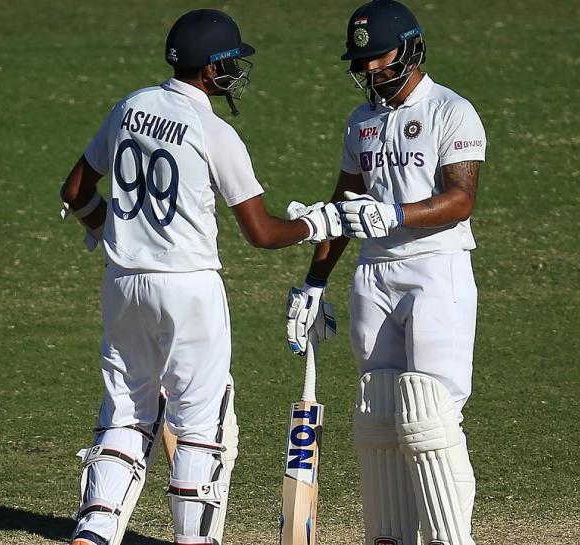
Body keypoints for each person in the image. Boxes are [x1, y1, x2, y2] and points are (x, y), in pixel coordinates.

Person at [60, 9, 341, 545]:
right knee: (200, 428)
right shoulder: (213, 131)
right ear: (209, 70)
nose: (236, 70)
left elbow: (75, 191)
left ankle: (94, 532)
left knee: (125, 415)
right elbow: (260, 232)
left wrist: (107, 230)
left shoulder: (130, 107)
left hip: (122, 285)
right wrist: (314, 223)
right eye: (230, 62)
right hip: (189, 289)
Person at [285, 1, 487, 544]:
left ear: (411, 47)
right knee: (379, 411)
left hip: (435, 268)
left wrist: (395, 213)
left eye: (380, 55)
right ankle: (393, 539)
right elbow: (343, 204)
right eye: (363, 58)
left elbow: (461, 198)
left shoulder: (451, 111)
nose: (371, 67)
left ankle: (449, 539)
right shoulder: (361, 122)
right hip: (374, 274)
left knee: (433, 417)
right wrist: (314, 281)